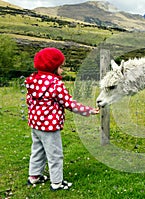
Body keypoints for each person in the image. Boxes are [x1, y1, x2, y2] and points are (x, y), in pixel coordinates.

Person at [25, 47, 100, 191]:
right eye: (60, 67)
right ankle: (57, 183)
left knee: (37, 150)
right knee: (55, 155)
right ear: (52, 67)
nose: (62, 71)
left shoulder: (32, 81)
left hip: (35, 124)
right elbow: (69, 103)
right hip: (50, 127)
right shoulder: (55, 84)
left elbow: (29, 101)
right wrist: (88, 111)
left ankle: (34, 176)